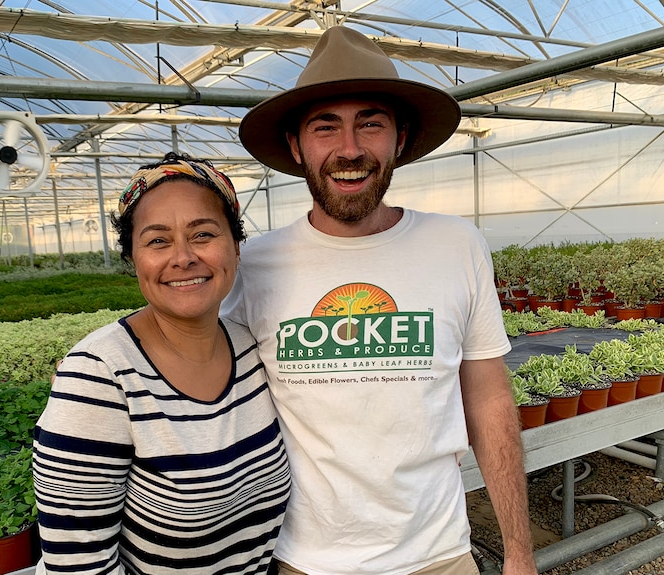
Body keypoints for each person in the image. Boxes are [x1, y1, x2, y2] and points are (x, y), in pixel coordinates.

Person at [221, 26, 537, 575]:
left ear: (400, 138)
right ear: (296, 146)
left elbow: (488, 399)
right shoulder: (253, 266)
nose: (349, 149)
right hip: (302, 560)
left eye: (371, 123)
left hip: (438, 555)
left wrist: (519, 552)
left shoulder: (456, 245)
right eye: (326, 127)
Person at [33, 153, 291, 575]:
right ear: (132, 257)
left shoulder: (249, 348)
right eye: (157, 240)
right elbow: (79, 565)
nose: (184, 256)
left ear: (237, 247)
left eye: (203, 234)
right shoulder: (99, 377)